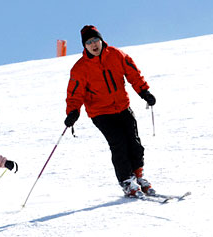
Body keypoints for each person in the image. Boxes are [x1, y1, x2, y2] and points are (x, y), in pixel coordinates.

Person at [64, 25, 156, 197]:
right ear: (85, 46)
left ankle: (138, 176)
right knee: (119, 144)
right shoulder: (80, 68)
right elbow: (74, 94)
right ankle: (127, 181)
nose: (93, 45)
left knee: (134, 143)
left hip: (122, 107)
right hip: (101, 113)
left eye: (95, 40)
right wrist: (73, 112)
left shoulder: (116, 55)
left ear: (101, 40)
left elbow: (133, 74)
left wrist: (144, 92)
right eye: (89, 42)